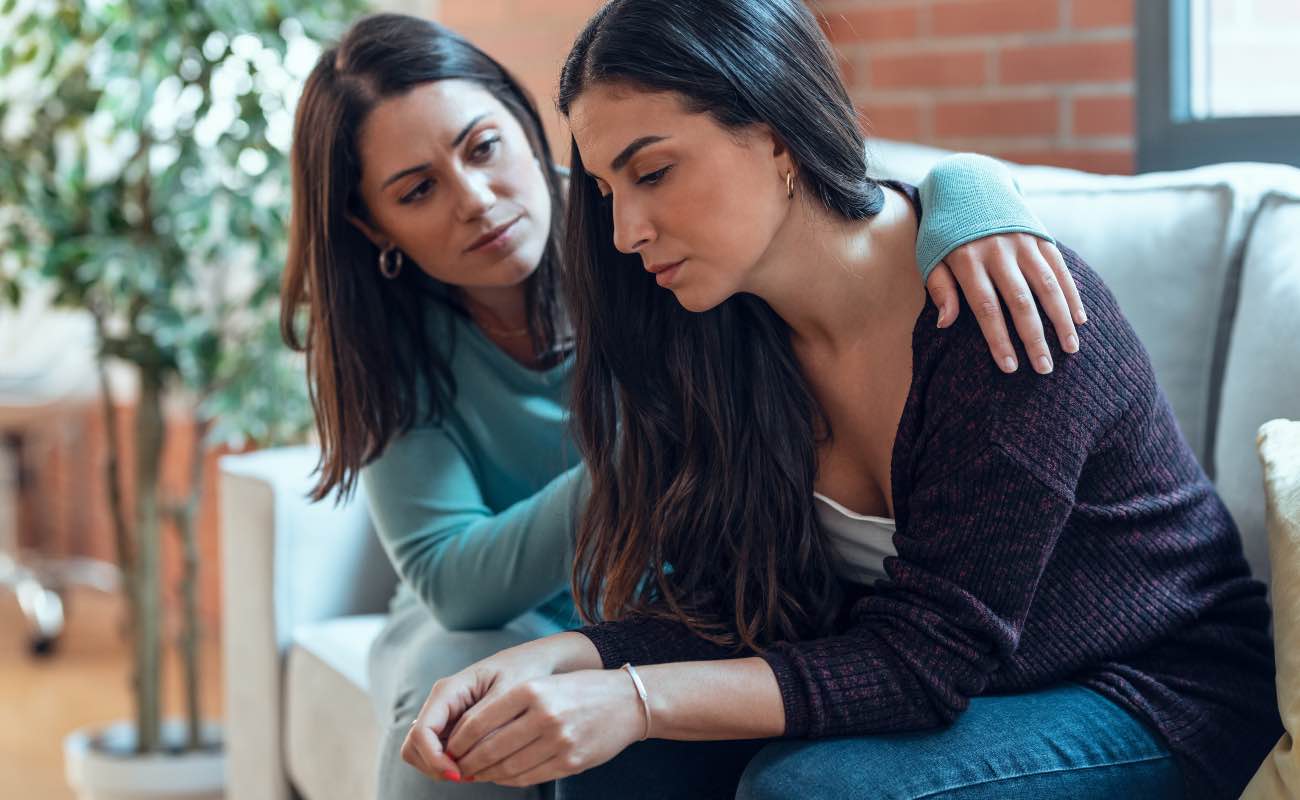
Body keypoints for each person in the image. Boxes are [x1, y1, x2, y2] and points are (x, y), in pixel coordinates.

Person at [398, 2, 1282, 799]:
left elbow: (929, 658)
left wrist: (633, 695)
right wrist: (567, 657)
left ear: (777, 134)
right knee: (615, 763)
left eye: (654, 173)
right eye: (605, 192)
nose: (627, 232)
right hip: (975, 683)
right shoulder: (727, 336)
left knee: (813, 791)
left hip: (1151, 690)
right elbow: (736, 617)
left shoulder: (996, 311)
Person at [282, 12, 1085, 800]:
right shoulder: (408, 332)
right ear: (371, 222)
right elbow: (455, 584)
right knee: (458, 690)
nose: (477, 200)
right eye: (418, 189)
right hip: (543, 609)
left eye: (484, 147)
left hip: (674, 591)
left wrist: (974, 189)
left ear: (524, 124)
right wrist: (655, 463)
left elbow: (823, 185)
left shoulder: (660, 240)